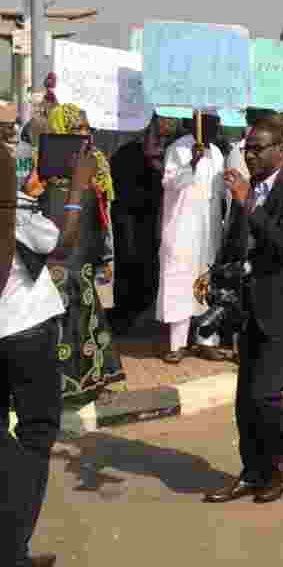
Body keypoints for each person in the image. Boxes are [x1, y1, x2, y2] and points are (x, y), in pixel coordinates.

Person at [203, 114, 283, 504]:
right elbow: (237, 242)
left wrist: (249, 205)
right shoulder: (248, 189)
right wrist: (216, 272)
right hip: (251, 307)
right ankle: (254, 472)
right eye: (246, 148)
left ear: (281, 151)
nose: (248, 155)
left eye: (257, 148)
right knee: (245, 403)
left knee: (265, 395)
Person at [1, 139, 92, 567]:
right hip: (25, 332)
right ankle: (12, 551)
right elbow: (63, 241)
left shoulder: (15, 204)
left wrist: (27, 193)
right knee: (36, 438)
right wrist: (77, 187)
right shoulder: (12, 209)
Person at [36, 103, 125, 399]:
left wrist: (106, 256)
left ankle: (92, 383)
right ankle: (53, 390)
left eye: (88, 129)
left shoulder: (96, 162)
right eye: (77, 129)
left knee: (86, 319)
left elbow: (102, 213)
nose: (85, 135)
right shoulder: (43, 164)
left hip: (84, 254)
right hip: (54, 255)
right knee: (56, 322)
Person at [156, 115, 226, 364]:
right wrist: (191, 164)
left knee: (206, 285)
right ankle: (177, 345)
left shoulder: (217, 153)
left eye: (217, 122)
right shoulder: (178, 148)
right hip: (182, 229)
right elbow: (169, 183)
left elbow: (218, 193)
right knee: (179, 284)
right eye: (211, 122)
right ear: (197, 122)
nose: (216, 127)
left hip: (208, 230)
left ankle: (206, 341)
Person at [109, 115, 176, 332]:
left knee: (147, 267)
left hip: (150, 222)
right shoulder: (127, 153)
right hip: (128, 221)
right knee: (128, 266)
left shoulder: (164, 155)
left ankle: (141, 315)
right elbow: (121, 189)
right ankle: (125, 318)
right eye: (161, 125)